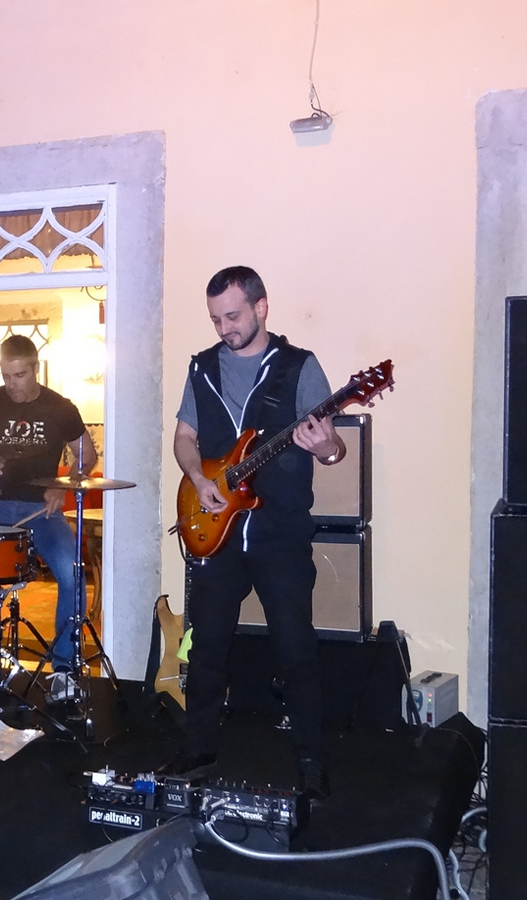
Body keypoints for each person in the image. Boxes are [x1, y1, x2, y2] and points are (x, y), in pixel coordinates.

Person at [170, 265, 344, 801]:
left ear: (261, 307)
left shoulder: (299, 367)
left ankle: (311, 761)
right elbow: (184, 437)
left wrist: (324, 448)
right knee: (205, 649)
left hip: (279, 534)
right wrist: (199, 479)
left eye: (233, 316)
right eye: (215, 319)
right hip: (215, 532)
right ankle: (198, 751)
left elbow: (333, 448)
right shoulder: (201, 368)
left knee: (296, 649)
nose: (224, 328)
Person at [0, 335, 97, 702]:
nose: (11, 384)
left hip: (41, 512)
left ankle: (64, 669)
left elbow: (87, 456)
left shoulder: (61, 408)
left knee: (72, 573)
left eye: (19, 375)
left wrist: (61, 486)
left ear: (35, 369)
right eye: (6, 376)